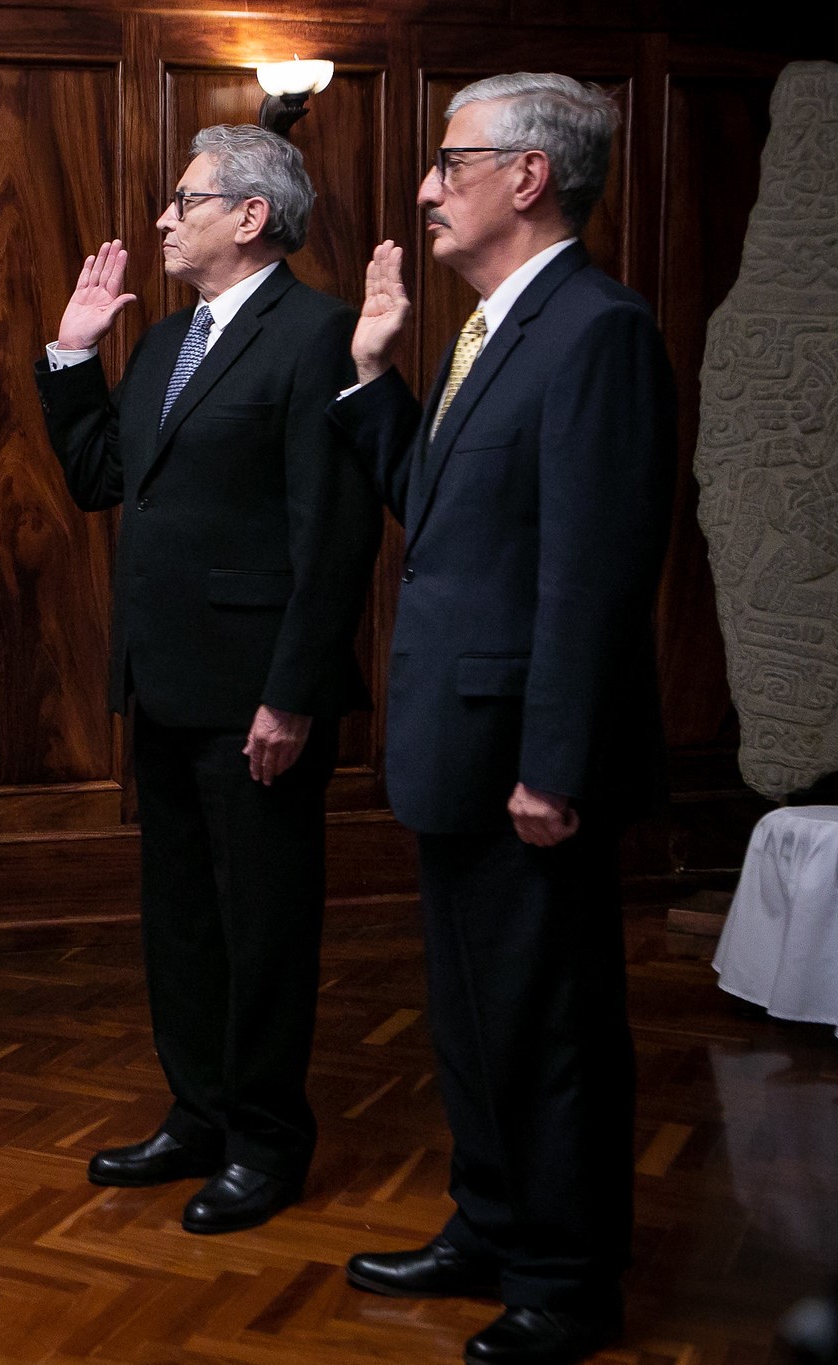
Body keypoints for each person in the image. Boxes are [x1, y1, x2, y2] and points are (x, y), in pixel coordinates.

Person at [332, 74, 674, 1365]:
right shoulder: (487, 329)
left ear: (526, 176)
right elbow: (441, 518)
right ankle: (487, 1223)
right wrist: (372, 373)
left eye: (448, 162)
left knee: (552, 1020)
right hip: (456, 745)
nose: (425, 187)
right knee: (474, 1009)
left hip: (528, 757)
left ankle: (567, 1279)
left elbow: (594, 570)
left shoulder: (599, 329)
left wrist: (555, 761)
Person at [32, 125, 378, 1234]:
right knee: (179, 919)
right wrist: (74, 355)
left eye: (185, 200)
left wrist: (293, 693)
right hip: (163, 678)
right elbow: (100, 480)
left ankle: (266, 1145)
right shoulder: (168, 340)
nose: (163, 218)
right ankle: (197, 1114)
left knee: (263, 924)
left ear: (251, 216)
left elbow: (330, 534)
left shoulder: (318, 336)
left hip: (256, 695)